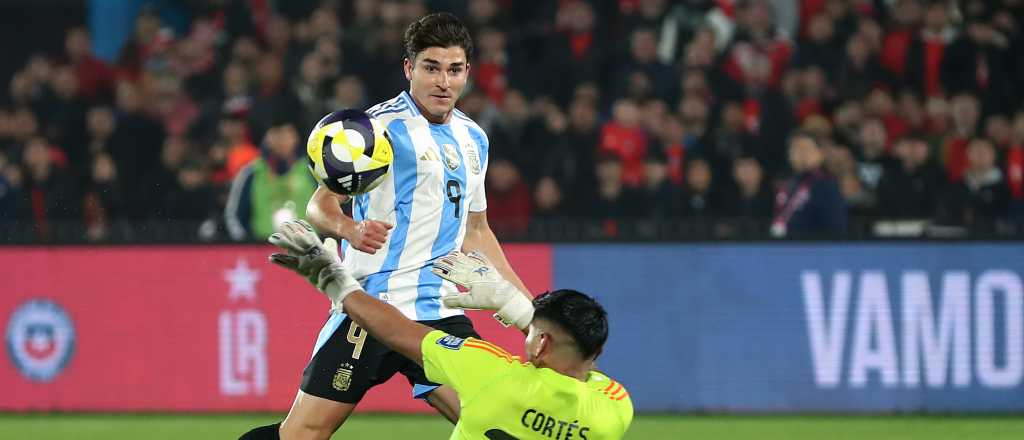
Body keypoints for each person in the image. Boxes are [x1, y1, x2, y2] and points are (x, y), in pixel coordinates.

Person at [240, 13, 531, 440]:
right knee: (301, 436)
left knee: (497, 429)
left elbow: (477, 231)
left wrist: (528, 309)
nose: (443, 82)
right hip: (373, 306)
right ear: (409, 68)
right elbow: (319, 206)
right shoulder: (374, 130)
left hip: (439, 313)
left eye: (454, 70)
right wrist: (348, 229)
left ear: (468, 72)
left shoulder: (475, 139)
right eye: (431, 68)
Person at [266, 220, 633, 439]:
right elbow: (582, 364)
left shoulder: (490, 374)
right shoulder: (614, 411)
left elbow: (396, 331)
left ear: (541, 344)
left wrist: (331, 277)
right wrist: (520, 311)